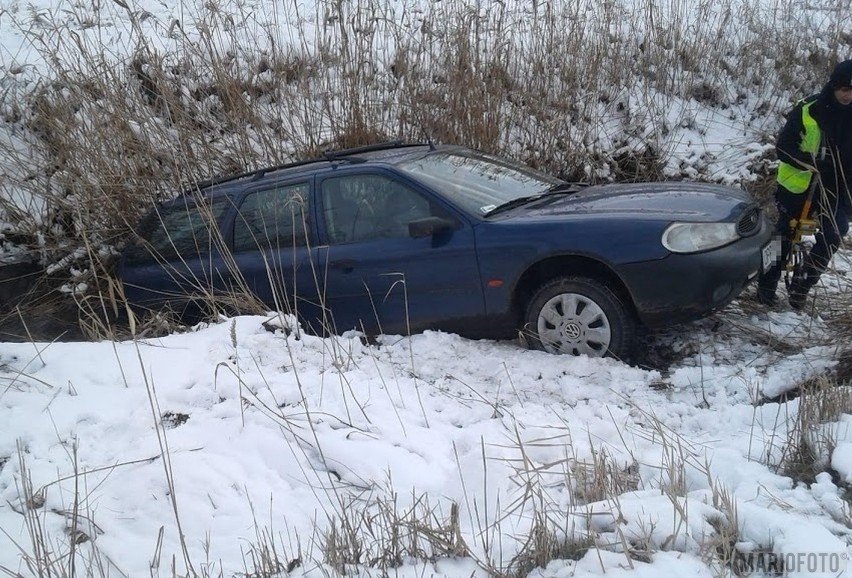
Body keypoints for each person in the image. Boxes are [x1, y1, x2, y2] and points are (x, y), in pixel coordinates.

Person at [757, 59, 852, 310]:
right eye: (844, 88)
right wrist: (811, 162)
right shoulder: (809, 109)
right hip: (798, 185)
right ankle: (766, 285)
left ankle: (803, 285)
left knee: (834, 234)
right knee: (784, 234)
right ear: (833, 86)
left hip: (834, 189)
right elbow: (783, 148)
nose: (848, 95)